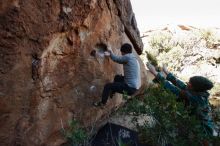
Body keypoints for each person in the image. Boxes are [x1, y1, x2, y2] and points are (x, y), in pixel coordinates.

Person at [146, 62, 217, 136]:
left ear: (195, 88)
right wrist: (166, 72)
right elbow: (182, 85)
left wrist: (154, 72)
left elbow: (173, 89)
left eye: (190, 83)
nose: (187, 83)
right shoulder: (200, 92)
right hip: (204, 127)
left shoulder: (194, 98)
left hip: (203, 132)